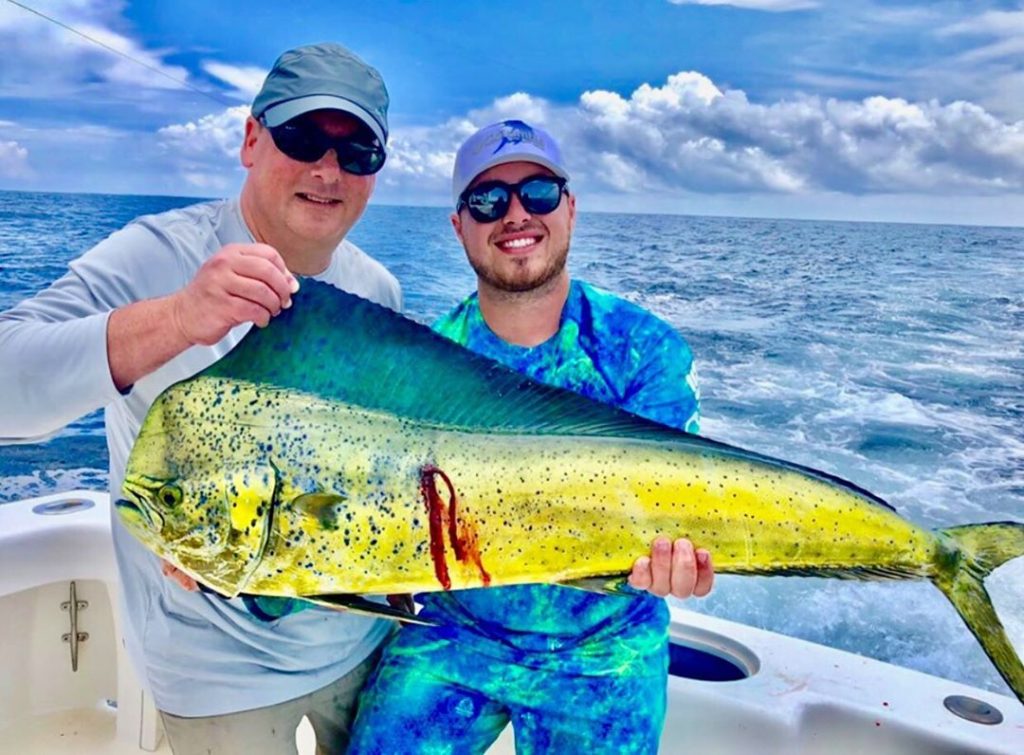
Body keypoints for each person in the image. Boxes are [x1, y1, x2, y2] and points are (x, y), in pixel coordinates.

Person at [0, 42, 400, 754]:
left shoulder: (376, 291)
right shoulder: (151, 255)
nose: (327, 170)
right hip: (218, 682)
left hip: (363, 644)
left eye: (356, 152)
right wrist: (180, 317)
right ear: (251, 139)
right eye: (304, 137)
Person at [348, 120, 714, 754]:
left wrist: (679, 561)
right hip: (455, 634)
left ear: (569, 208)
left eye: (538, 193)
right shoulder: (427, 367)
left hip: (606, 645)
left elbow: (679, 509)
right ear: (459, 225)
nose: (515, 214)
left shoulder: (641, 350)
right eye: (488, 201)